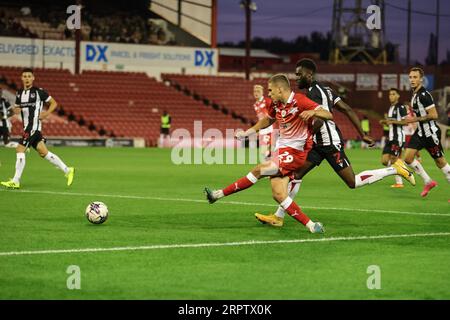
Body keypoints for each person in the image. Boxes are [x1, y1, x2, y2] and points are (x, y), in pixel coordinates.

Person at [254, 59, 415, 227]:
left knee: (352, 182)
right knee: (296, 175)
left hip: (329, 143)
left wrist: (302, 136)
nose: (296, 78)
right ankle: (279, 216)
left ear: (309, 75)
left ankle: (394, 169)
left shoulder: (313, 94)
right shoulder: (327, 90)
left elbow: (320, 121)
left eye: (299, 75)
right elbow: (346, 109)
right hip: (318, 144)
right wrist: (363, 134)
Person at [205, 74, 334, 234]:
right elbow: (268, 120)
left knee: (260, 169)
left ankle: (218, 194)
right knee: (278, 194)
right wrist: (248, 132)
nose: (269, 94)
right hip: (281, 150)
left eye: (271, 90)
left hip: (296, 152)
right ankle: (312, 225)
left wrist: (313, 113)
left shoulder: (300, 101)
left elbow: (328, 114)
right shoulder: (276, 104)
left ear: (280, 89)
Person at [0, 68, 75, 189]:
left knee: (19, 150)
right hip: (29, 127)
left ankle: (15, 180)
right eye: (24, 76)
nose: (27, 78)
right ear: (21, 78)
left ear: (33, 78)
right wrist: (15, 110)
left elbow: (54, 103)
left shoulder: (39, 92)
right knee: (43, 152)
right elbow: (17, 109)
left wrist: (46, 114)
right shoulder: (19, 93)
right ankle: (67, 170)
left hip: (33, 126)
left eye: (29, 76)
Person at [403, 67, 450, 197]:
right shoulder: (414, 95)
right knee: (407, 158)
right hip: (420, 132)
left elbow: (434, 115)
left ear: (421, 79)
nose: (412, 80)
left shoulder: (424, 95)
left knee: (440, 162)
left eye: (415, 77)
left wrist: (415, 119)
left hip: (430, 133)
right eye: (410, 77)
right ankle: (428, 181)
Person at [379, 88, 408, 188]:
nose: (391, 96)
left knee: (393, 158)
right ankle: (403, 169)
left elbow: (405, 122)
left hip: (398, 137)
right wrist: (385, 121)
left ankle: (399, 182)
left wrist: (392, 122)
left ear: (398, 96)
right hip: (390, 137)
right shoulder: (391, 108)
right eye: (390, 94)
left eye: (393, 94)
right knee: (384, 161)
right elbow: (391, 121)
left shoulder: (401, 107)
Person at [253, 85, 274, 160]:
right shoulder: (255, 104)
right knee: (264, 152)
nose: (256, 93)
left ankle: (270, 166)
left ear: (262, 93)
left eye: (258, 91)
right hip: (262, 129)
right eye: (255, 91)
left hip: (269, 128)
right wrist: (258, 130)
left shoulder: (267, 101)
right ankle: (269, 165)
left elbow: (273, 115)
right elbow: (260, 118)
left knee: (267, 151)